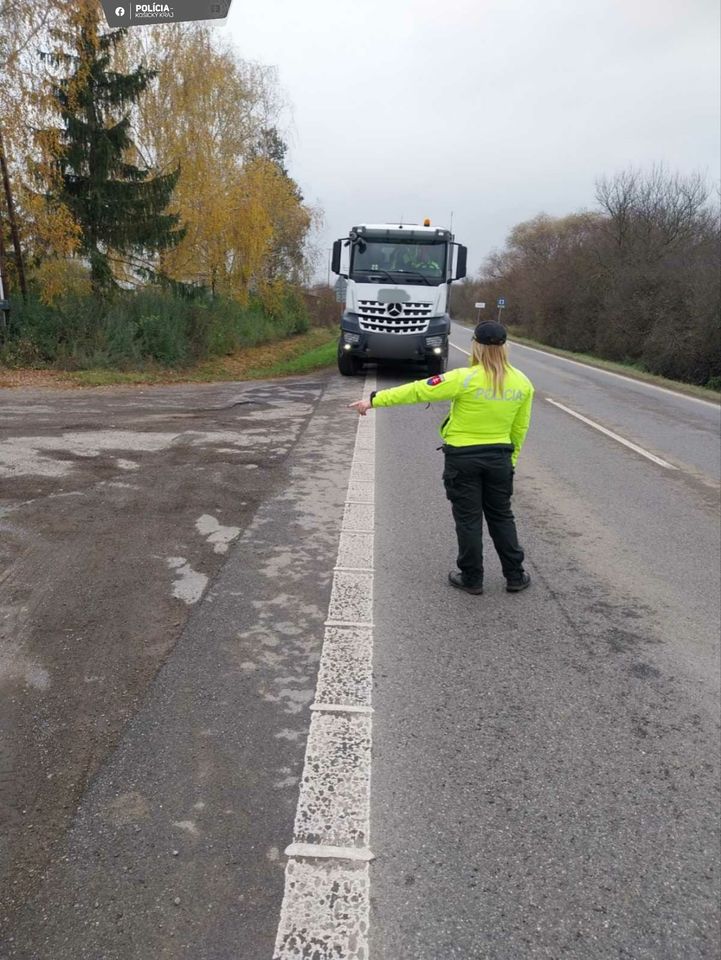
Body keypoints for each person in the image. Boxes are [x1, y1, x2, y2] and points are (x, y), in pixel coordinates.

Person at [349, 320, 534, 595]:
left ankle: (472, 578)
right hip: (500, 459)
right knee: (502, 517)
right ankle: (515, 576)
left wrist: (374, 400)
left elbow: (418, 390)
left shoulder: (465, 377)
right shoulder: (522, 383)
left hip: (463, 458)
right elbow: (519, 430)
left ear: (476, 346)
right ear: (505, 347)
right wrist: (512, 462)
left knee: (468, 519)